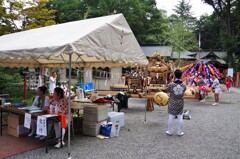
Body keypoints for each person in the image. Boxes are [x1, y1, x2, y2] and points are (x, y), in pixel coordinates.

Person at [165, 69, 186, 136]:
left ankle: (170, 131)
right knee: (180, 117)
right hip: (180, 102)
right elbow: (183, 91)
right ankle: (180, 132)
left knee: (171, 116)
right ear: (181, 75)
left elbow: (167, 90)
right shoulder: (184, 85)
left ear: (174, 75)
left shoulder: (171, 85)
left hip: (172, 101)